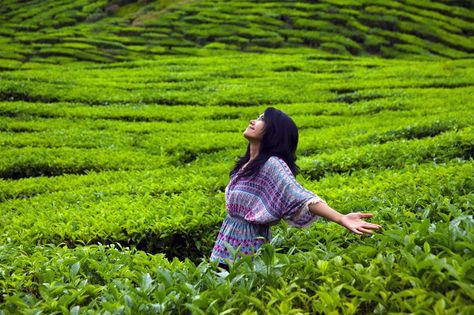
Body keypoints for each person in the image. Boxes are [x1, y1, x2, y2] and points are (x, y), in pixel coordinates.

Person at [210, 107, 381, 268]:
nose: (253, 121)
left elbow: (300, 196)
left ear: (274, 132)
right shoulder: (246, 165)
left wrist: (341, 218)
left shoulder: (272, 165)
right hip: (224, 246)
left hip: (246, 249)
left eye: (263, 119)